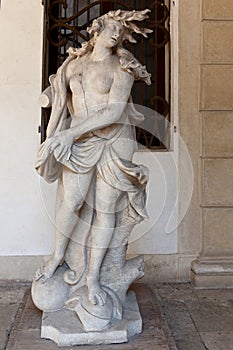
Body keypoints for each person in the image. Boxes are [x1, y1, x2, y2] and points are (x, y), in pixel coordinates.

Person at [35, 9, 152, 306]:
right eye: (112, 26)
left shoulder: (122, 67)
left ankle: (93, 279)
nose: (116, 33)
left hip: (114, 142)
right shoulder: (73, 65)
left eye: (121, 31)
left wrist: (71, 134)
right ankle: (57, 257)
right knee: (72, 202)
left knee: (104, 211)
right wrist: (54, 101)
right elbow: (61, 94)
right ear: (97, 28)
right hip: (80, 142)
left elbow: (113, 111)